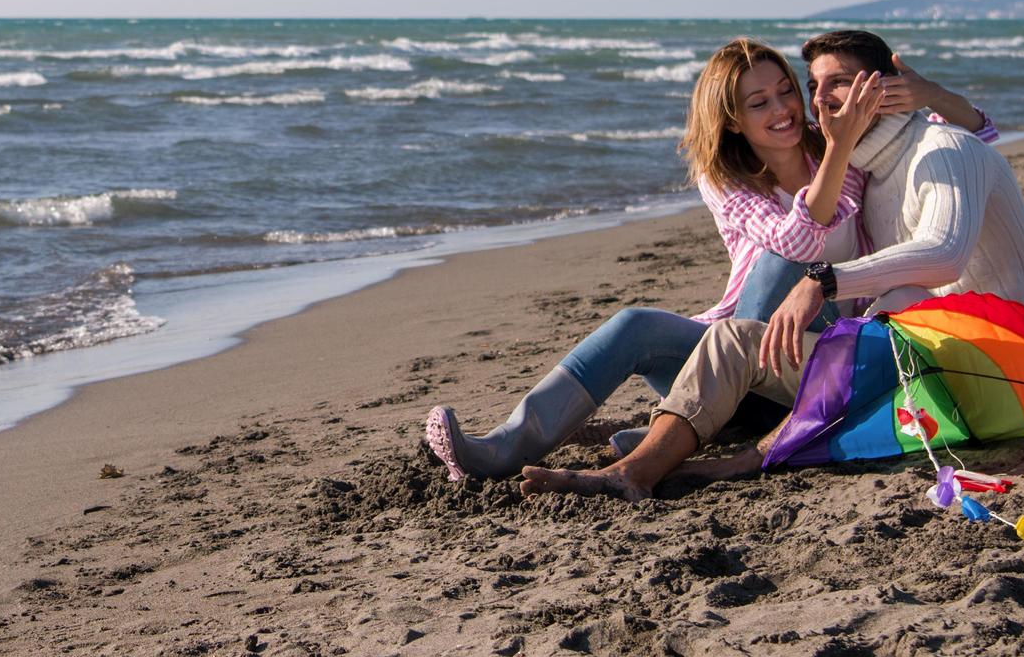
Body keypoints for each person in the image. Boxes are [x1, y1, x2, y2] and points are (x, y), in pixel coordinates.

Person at [423, 36, 993, 484]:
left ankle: (696, 431)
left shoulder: (842, 147)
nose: (784, 110)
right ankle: (507, 445)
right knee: (638, 323)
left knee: (778, 264)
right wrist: (839, 147)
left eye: (786, 91)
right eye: (759, 102)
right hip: (728, 357)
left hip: (819, 361)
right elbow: (797, 240)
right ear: (731, 120)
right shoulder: (725, 179)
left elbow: (981, 135)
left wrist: (927, 94)